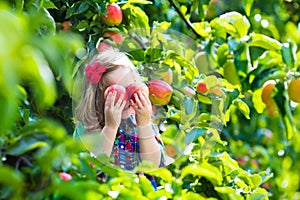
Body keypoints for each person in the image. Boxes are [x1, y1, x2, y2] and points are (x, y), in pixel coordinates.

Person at [73, 49, 166, 172]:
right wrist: (110, 127)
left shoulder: (141, 121)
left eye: (131, 89)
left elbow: (153, 164)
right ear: (97, 98)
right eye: (118, 91)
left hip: (138, 189)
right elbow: (90, 167)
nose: (126, 98)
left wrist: (145, 125)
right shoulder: (87, 128)